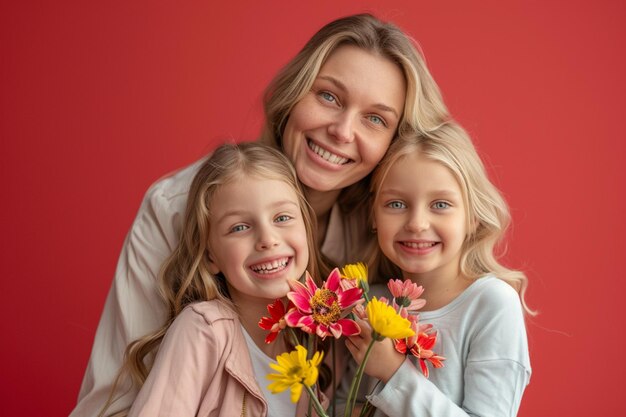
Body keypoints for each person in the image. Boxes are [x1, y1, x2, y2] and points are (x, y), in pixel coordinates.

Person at [71, 13, 450, 416]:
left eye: (375, 119)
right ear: (293, 95)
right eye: (328, 96)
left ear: (394, 143)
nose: (342, 131)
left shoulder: (383, 233)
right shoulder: (177, 207)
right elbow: (108, 403)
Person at [99, 142, 325, 416]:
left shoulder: (310, 340)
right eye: (239, 227)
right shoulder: (204, 330)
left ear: (307, 228)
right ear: (210, 256)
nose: (267, 240)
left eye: (282, 218)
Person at [345, 122, 533, 416]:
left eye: (441, 204)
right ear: (373, 215)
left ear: (472, 217)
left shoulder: (491, 304)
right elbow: (341, 406)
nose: (417, 223)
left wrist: (395, 373)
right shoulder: (368, 304)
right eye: (396, 204)